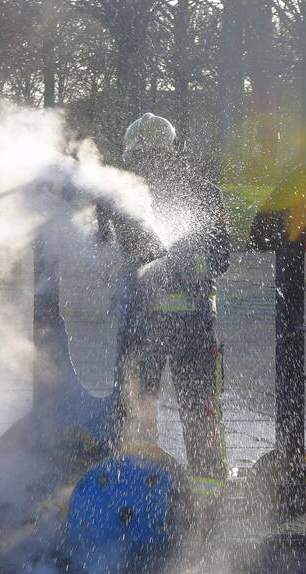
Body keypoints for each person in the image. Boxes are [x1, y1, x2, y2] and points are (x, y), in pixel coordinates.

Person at [98, 112, 230, 502]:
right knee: (196, 411)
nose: (146, 166)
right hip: (188, 324)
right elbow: (222, 256)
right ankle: (205, 497)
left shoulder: (127, 195)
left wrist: (190, 256)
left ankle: (139, 494)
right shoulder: (192, 191)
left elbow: (219, 253)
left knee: (142, 412)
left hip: (151, 325)